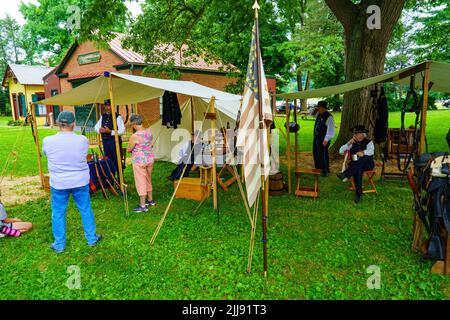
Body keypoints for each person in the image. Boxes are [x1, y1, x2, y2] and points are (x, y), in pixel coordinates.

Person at [43, 111, 102, 253]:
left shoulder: (48, 140)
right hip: (79, 181)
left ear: (57, 123)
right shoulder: (82, 140)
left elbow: (46, 153)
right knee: (85, 208)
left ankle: (59, 244)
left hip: (59, 183)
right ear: (73, 124)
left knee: (58, 212)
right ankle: (91, 238)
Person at [337, 125, 375, 204]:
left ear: (362, 134)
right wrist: (348, 144)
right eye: (354, 134)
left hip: (368, 164)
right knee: (357, 169)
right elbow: (340, 151)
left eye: (356, 134)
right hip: (356, 166)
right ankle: (359, 195)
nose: (354, 136)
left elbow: (371, 151)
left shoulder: (369, 142)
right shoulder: (352, 142)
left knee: (364, 158)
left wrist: (363, 152)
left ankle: (346, 174)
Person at [127, 114, 156, 213]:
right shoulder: (149, 132)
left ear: (134, 124)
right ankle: (150, 200)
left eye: (131, 124)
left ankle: (143, 205)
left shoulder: (135, 136)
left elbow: (129, 149)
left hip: (140, 161)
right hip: (150, 159)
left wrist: (131, 149)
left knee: (141, 181)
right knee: (148, 178)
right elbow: (150, 143)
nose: (132, 126)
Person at [95, 99, 125, 173]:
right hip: (105, 143)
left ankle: (120, 179)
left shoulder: (117, 117)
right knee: (108, 161)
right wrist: (99, 130)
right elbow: (96, 127)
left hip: (115, 142)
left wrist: (110, 131)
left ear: (113, 106)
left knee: (117, 160)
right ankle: (111, 178)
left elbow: (122, 131)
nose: (108, 107)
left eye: (109, 106)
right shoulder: (103, 116)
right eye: (106, 106)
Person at [312, 100, 335, 177]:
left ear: (323, 107)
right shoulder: (319, 114)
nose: (318, 109)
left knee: (323, 154)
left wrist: (326, 139)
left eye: (319, 107)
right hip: (316, 137)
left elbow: (331, 129)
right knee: (316, 153)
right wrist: (315, 110)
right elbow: (311, 114)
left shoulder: (329, 117)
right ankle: (318, 168)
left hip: (323, 138)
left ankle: (325, 170)